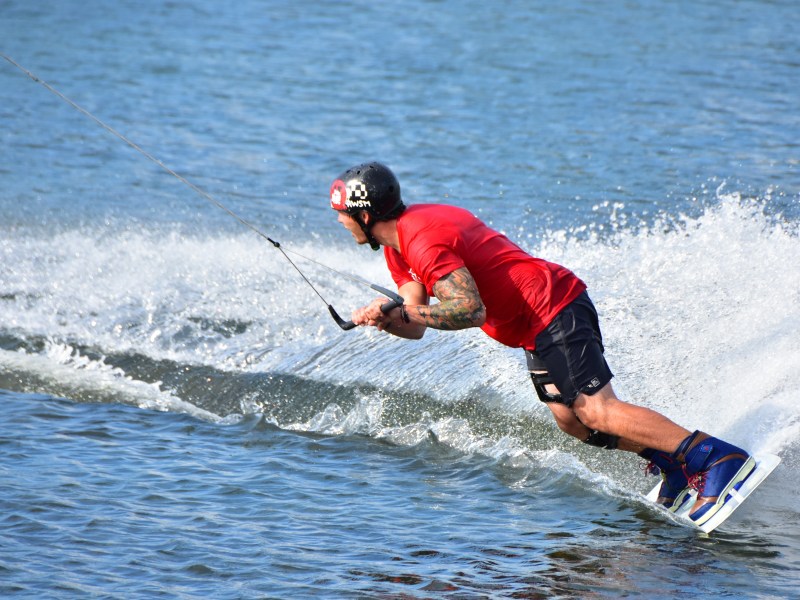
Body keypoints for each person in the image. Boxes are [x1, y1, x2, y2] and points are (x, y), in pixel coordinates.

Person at [329, 161, 755, 525]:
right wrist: (387, 319)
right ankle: (673, 465)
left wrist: (399, 313)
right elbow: (418, 321)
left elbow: (468, 310)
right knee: (572, 421)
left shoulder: (423, 238)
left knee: (596, 408)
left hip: (553, 305)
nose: (340, 221)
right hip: (534, 323)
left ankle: (713, 458)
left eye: (343, 213)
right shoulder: (396, 245)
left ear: (365, 215)